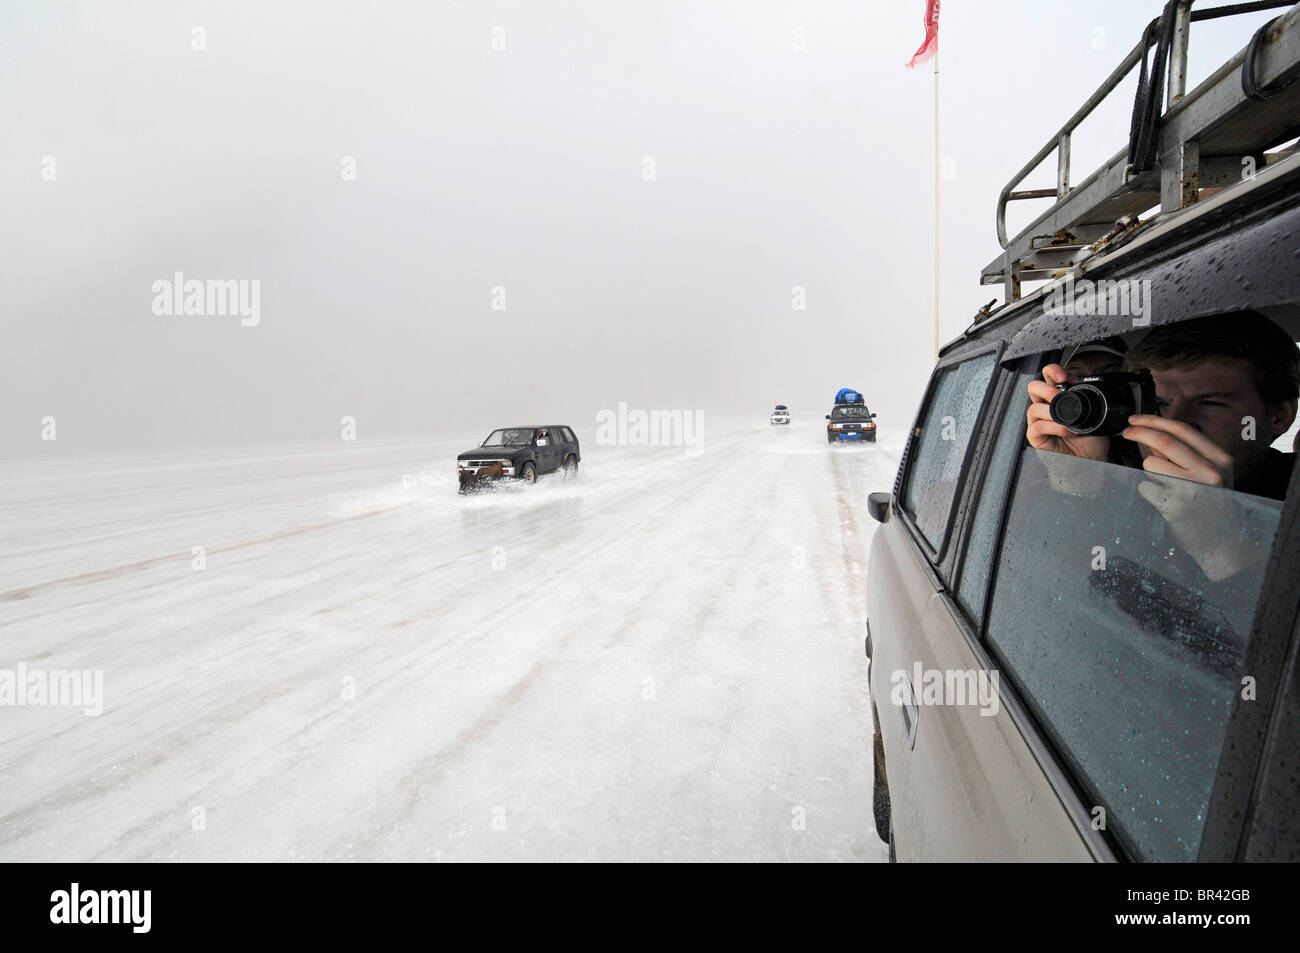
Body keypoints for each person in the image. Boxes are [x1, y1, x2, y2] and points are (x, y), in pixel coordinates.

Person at [1027, 311, 1298, 500]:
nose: (1175, 424)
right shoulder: (1120, 485)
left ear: (1280, 416)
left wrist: (1218, 540)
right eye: (1157, 404)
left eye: (1210, 402)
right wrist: (1080, 480)